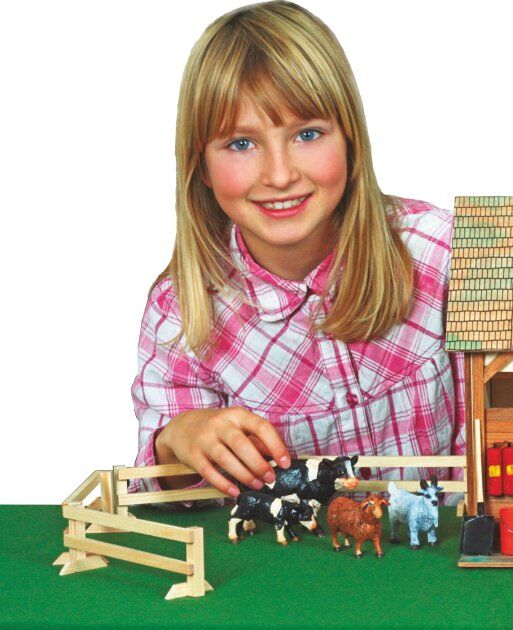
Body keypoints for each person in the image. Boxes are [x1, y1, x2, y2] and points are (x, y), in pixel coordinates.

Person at [131, 1, 465, 502]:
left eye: (307, 134)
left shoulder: (443, 254)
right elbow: (176, 500)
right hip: (287, 552)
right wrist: (178, 438)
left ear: (350, 139)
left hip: (438, 546)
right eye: (241, 144)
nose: (280, 174)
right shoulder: (182, 313)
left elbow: (497, 433)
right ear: (201, 166)